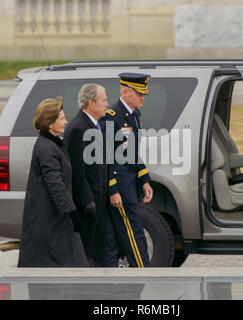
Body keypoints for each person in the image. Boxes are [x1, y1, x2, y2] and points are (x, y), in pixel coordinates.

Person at [18, 97, 89, 267]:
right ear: (50, 123)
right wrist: (72, 213)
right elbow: (55, 184)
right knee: (66, 267)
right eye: (62, 118)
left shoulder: (51, 144)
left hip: (54, 219)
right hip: (51, 221)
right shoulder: (47, 148)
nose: (66, 122)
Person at [99, 73, 154, 268]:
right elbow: (105, 157)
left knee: (121, 233)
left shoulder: (134, 114)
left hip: (130, 180)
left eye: (143, 94)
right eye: (139, 93)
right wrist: (113, 189)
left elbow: (131, 151)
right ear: (125, 91)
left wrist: (144, 178)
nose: (143, 97)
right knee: (133, 230)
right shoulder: (112, 116)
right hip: (120, 184)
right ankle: (143, 270)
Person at [64, 84, 115, 266]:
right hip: (87, 204)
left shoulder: (92, 125)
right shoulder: (79, 128)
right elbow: (76, 170)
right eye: (103, 100)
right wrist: (86, 200)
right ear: (91, 103)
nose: (107, 104)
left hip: (98, 198)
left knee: (97, 247)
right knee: (86, 249)